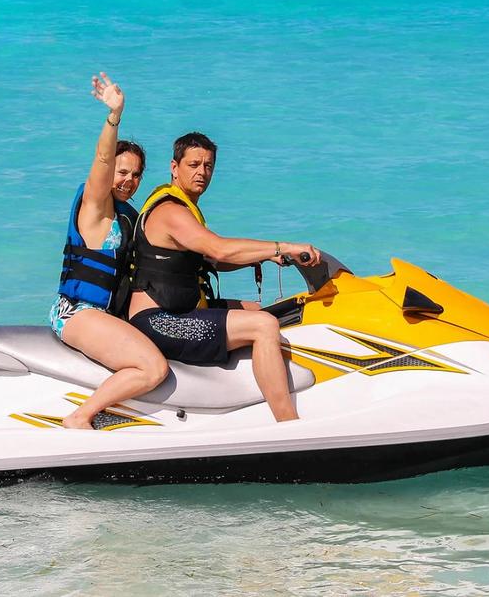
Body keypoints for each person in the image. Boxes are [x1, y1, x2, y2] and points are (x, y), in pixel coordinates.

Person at [128, 132, 321, 422]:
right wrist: (284, 246)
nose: (202, 172)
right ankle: (287, 422)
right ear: (174, 167)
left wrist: (263, 256)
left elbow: (213, 261)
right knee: (264, 325)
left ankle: (248, 400)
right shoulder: (170, 211)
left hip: (178, 312)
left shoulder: (185, 207)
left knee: (258, 311)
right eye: (193, 165)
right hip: (159, 322)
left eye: (208, 166)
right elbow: (218, 248)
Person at [49, 72, 168, 429]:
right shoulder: (96, 205)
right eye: (122, 172)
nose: (128, 180)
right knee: (153, 368)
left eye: (136, 175)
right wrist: (114, 115)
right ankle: (80, 417)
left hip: (103, 316)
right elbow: (102, 160)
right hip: (77, 312)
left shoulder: (128, 217)